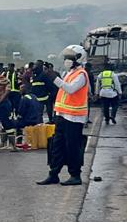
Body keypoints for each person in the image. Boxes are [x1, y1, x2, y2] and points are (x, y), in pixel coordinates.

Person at [37, 45, 91, 186]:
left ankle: (75, 175)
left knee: (72, 146)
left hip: (74, 117)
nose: (66, 60)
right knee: (57, 145)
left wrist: (53, 77)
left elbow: (70, 89)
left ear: (79, 59)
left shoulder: (81, 75)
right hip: (62, 115)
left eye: (70, 58)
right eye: (66, 58)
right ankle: (53, 174)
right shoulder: (69, 73)